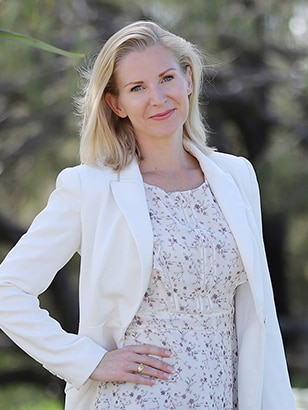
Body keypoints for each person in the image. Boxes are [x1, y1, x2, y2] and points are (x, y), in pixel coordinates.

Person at [0, 20, 295, 410]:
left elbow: (260, 318)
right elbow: (8, 291)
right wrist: (89, 362)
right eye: (137, 88)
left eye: (167, 78)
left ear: (189, 79)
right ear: (116, 103)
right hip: (134, 400)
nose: (158, 97)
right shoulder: (90, 188)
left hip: (225, 398)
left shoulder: (237, 176)